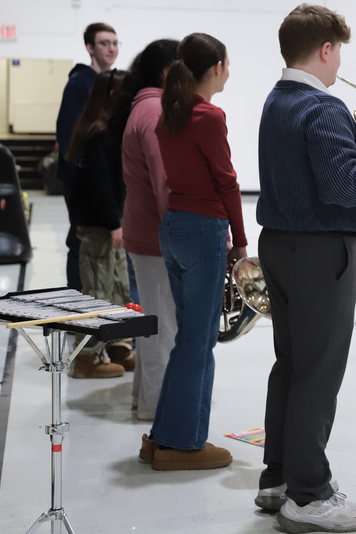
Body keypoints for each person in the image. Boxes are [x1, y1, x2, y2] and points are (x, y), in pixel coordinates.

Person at [253, 5, 356, 530]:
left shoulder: (276, 101)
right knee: (319, 372)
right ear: (325, 50)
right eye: (339, 50)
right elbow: (343, 186)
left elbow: (326, 165)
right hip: (319, 251)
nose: (340, 61)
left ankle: (278, 479)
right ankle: (309, 496)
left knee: (291, 365)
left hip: (279, 245)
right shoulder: (322, 107)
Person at [139, 32, 247, 472]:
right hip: (204, 231)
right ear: (217, 67)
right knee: (198, 344)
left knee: (188, 340)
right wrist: (240, 240)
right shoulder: (208, 116)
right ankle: (185, 444)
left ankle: (161, 438)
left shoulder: (171, 117)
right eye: (228, 63)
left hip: (174, 229)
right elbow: (227, 181)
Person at [117, 39, 180, 419]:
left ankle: (144, 398)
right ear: (167, 71)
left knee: (151, 324)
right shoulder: (156, 109)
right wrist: (180, 235)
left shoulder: (142, 105)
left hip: (143, 230)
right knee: (162, 328)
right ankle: (156, 408)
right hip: (156, 235)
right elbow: (164, 183)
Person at [65, 68, 133, 379]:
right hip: (101, 229)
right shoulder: (99, 134)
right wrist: (113, 222)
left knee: (117, 286)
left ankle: (117, 345)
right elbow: (100, 185)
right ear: (111, 96)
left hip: (108, 226)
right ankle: (86, 358)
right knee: (97, 290)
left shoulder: (102, 131)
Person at [56, 22, 119, 291]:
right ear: (89, 48)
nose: (112, 49)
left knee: (101, 242)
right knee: (80, 239)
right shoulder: (78, 84)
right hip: (82, 180)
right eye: (105, 43)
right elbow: (70, 138)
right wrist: (78, 183)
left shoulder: (109, 84)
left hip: (102, 178)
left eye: (115, 43)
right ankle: (77, 301)